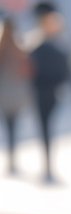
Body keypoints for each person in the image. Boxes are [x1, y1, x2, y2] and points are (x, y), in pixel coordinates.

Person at [24, 0, 71, 183]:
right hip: (42, 89)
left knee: (45, 126)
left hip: (48, 90)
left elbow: (66, 68)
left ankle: (48, 164)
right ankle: (47, 164)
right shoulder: (37, 42)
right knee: (44, 127)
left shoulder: (54, 43)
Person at [0, 14, 31, 174]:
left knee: (7, 125)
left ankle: (11, 156)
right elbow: (27, 70)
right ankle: (12, 156)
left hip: (4, 92)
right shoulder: (19, 47)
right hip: (16, 92)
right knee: (13, 125)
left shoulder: (2, 46)